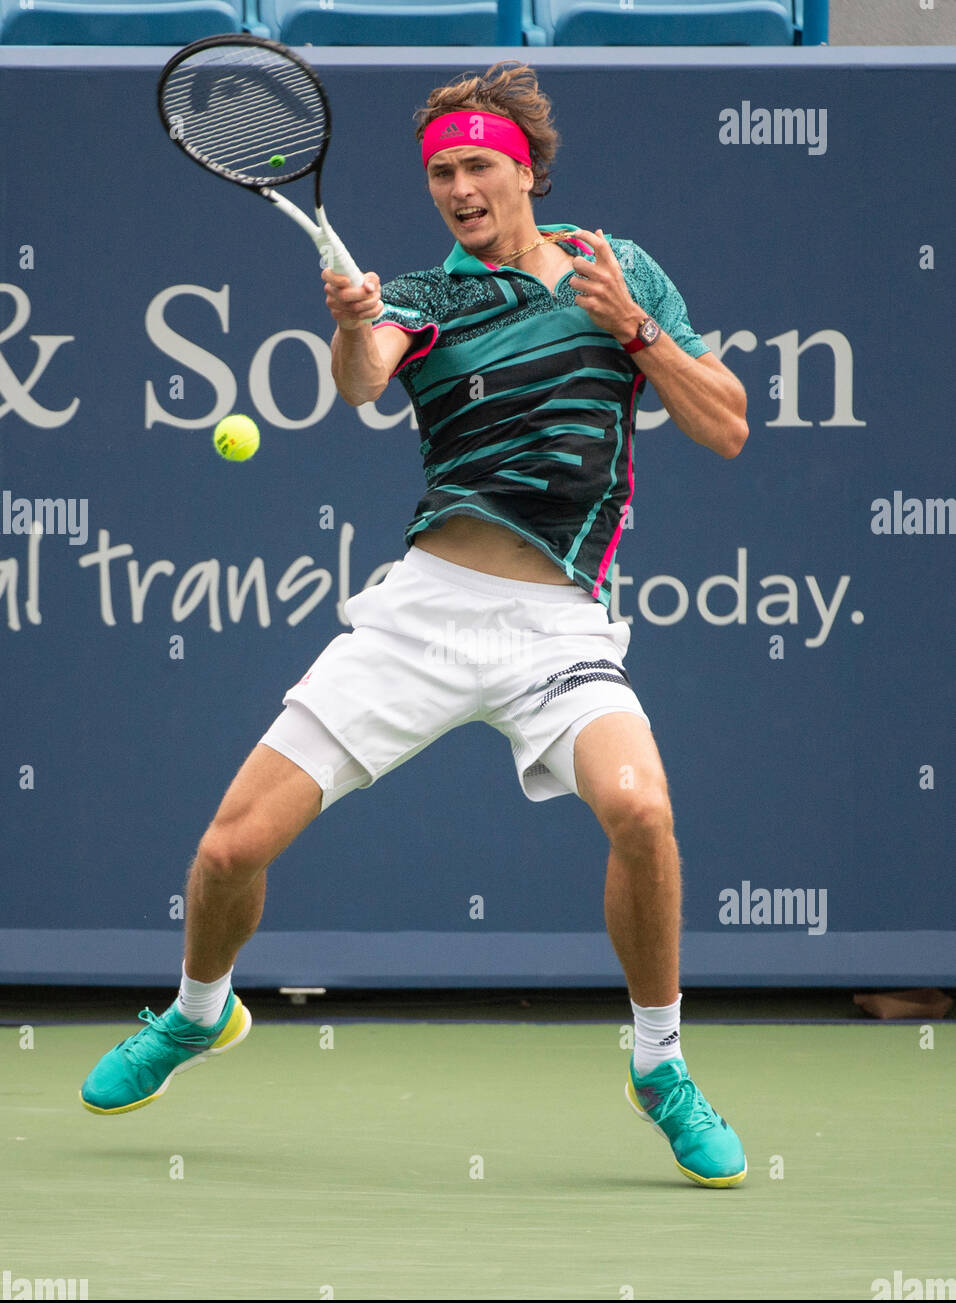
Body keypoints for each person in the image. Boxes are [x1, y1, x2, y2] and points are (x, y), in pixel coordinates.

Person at [81, 62, 749, 1188]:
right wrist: (351, 324)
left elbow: (724, 426)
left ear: (527, 167)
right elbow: (361, 383)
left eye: (478, 163)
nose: (457, 187)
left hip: (556, 627)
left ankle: (658, 1064)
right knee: (228, 848)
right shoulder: (418, 297)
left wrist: (634, 330)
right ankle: (200, 1011)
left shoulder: (615, 269)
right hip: (421, 617)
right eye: (439, 171)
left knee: (640, 809)